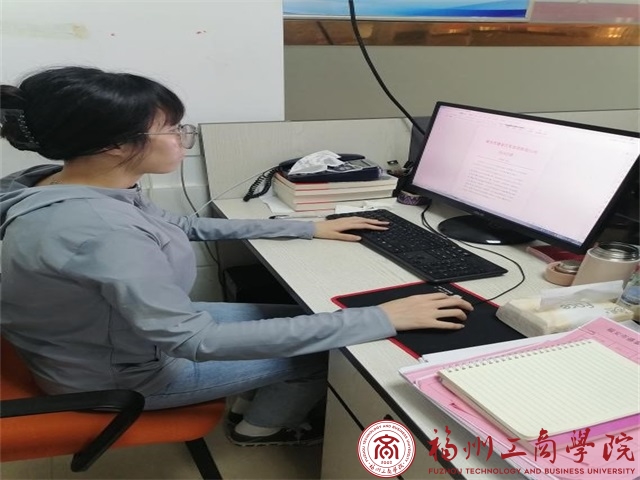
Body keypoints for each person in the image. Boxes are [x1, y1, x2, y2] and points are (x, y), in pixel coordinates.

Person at [0, 66, 473, 447]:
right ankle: (259, 430)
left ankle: (253, 399)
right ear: (115, 145)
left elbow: (178, 225)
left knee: (306, 317)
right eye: (172, 129)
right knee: (331, 348)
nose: (183, 138)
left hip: (105, 338)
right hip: (121, 374)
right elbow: (196, 341)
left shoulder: (57, 183)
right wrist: (383, 317)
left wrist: (306, 227)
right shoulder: (101, 230)